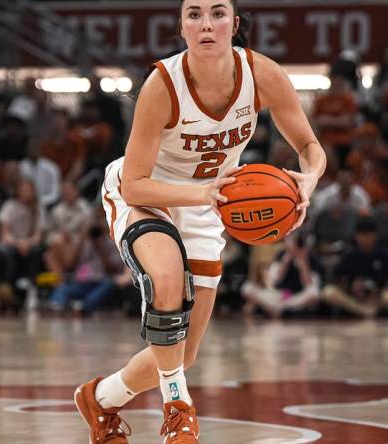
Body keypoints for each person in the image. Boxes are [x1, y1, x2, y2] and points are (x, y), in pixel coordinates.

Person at [74, 2, 327, 444]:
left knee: (181, 353)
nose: (206, 24)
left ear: (235, 23)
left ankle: (102, 398)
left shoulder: (262, 75)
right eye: (194, 14)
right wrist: (203, 194)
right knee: (167, 276)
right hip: (149, 194)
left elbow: (308, 144)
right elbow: (135, 184)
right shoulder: (162, 85)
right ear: (182, 27)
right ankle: (179, 409)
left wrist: (308, 180)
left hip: (210, 204)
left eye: (217, 13)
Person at [321, 217, 388, 318]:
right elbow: (337, 279)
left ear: (375, 235)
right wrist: (350, 287)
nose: (365, 238)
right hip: (353, 299)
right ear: (356, 236)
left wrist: (378, 292)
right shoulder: (349, 255)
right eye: (362, 235)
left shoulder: (384, 255)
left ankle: (369, 311)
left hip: (376, 298)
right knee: (328, 292)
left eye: (368, 234)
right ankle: (364, 312)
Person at [240, 232, 322, 318]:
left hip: (296, 296)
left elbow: (309, 284)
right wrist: (285, 262)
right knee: (247, 288)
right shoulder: (281, 255)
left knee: (314, 293)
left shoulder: (311, 258)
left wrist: (303, 264)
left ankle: (281, 308)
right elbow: (274, 281)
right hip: (278, 294)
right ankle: (277, 308)